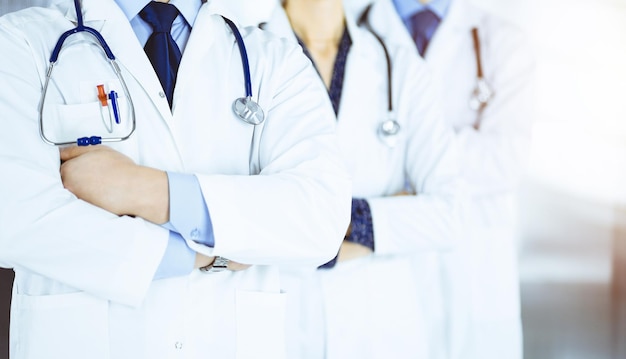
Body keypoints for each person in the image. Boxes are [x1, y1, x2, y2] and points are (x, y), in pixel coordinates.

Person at [0, 0, 352, 358]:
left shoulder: (273, 60)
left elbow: (321, 218)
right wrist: (201, 255)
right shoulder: (20, 42)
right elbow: (14, 217)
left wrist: (142, 189)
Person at [245, 0, 461, 358]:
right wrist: (389, 215)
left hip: (380, 326)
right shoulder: (244, 62)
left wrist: (321, 221)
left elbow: (448, 214)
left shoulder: (400, 67)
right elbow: (238, 213)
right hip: (283, 322)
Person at [352, 0, 535, 358]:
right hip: (386, 274)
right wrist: (437, 158)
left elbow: (504, 161)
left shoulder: (501, 41)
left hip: (476, 273)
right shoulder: (357, 34)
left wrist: (408, 149)